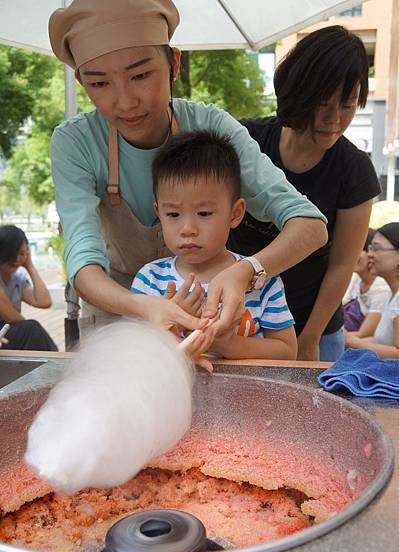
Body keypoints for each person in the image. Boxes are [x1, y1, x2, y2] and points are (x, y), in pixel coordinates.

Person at [48, 0, 327, 341]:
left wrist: (248, 270)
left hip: (212, 320)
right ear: (80, 81)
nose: (125, 102)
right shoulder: (75, 142)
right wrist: (143, 305)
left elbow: (310, 226)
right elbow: (83, 262)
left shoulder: (210, 125)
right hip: (117, 313)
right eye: (99, 84)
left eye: (140, 75)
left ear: (174, 63)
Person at [228, 25, 380, 361]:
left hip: (312, 327)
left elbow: (341, 266)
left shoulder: (354, 170)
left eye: (348, 104)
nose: (333, 120)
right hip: (239, 324)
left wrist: (310, 337)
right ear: (299, 94)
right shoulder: (247, 140)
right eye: (323, 104)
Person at [132, 131, 297, 363]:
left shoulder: (261, 281)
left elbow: (287, 351)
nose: (188, 228)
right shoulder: (149, 280)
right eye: (173, 214)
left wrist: (228, 344)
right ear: (158, 213)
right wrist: (166, 335)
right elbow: (132, 353)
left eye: (204, 213)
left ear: (235, 213)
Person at [0, 225, 58, 351]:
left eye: (22, 254)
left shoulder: (17, 279)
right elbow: (12, 318)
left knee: (31, 330)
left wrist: (30, 266)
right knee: (31, 328)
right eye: (12, 254)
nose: (17, 260)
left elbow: (44, 302)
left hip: (5, 336)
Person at [345, 223, 399, 358]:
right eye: (370, 248)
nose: (370, 254)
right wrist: (349, 341)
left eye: (376, 248)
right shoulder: (391, 294)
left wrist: (353, 342)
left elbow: (397, 354)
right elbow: (381, 341)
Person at [343, 228, 389, 333]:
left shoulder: (381, 287)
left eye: (358, 249)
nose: (351, 255)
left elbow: (363, 334)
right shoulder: (356, 278)